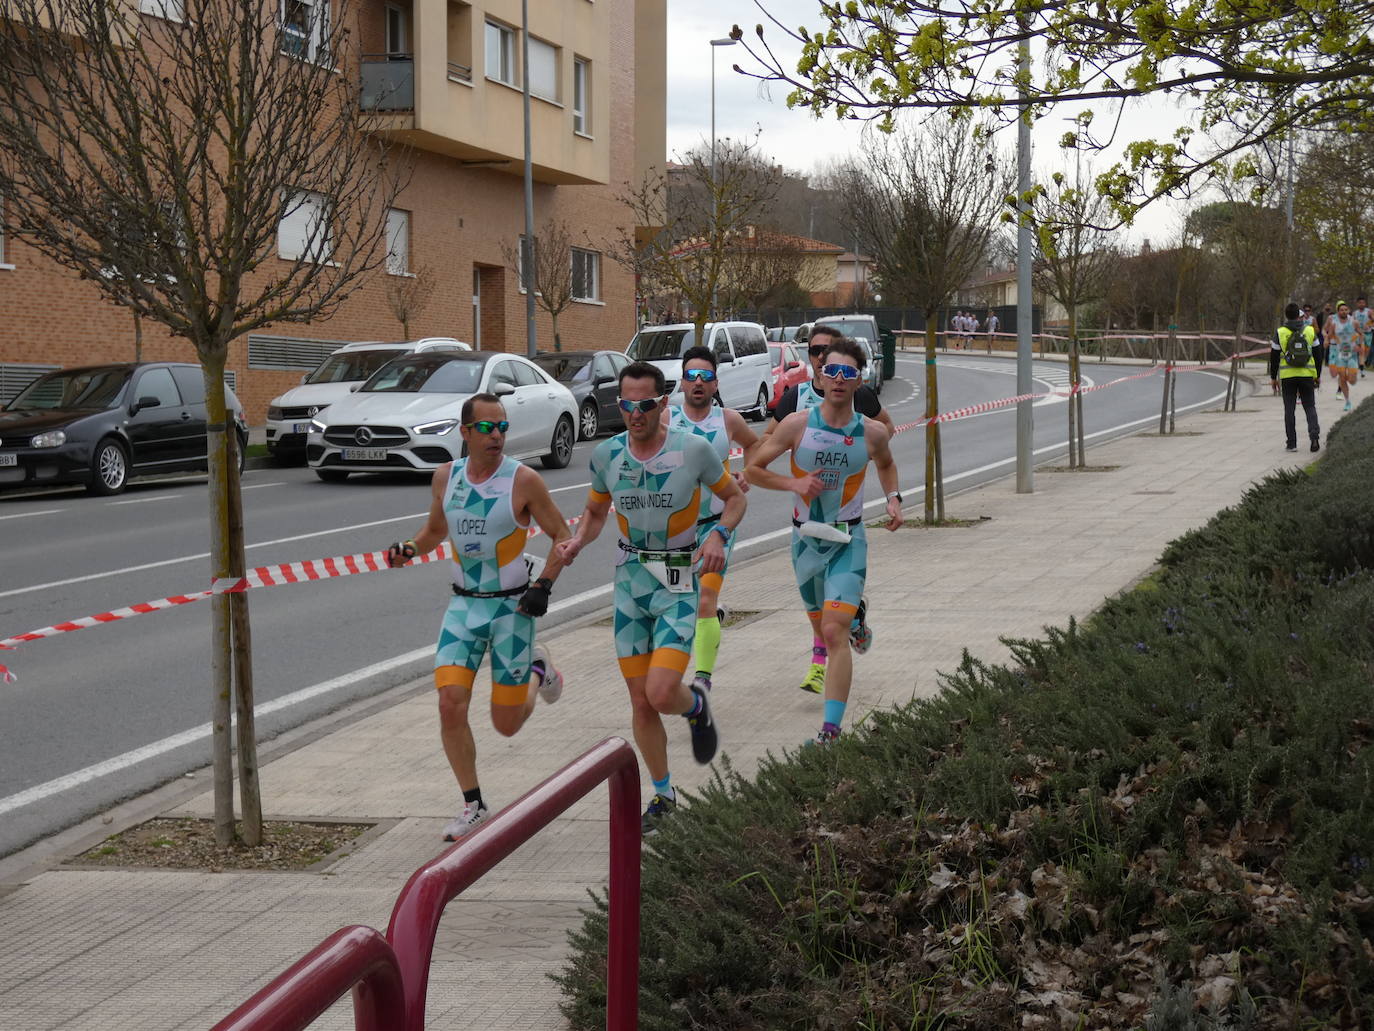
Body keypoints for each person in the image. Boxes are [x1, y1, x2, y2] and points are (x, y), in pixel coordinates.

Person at [556, 361, 746, 834]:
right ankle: (664, 795)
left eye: (644, 405)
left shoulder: (694, 450)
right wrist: (579, 539)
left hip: (679, 577)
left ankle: (696, 707)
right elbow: (596, 512)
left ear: (663, 404)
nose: (635, 414)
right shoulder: (606, 456)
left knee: (662, 693)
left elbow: (735, 499)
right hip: (629, 584)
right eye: (626, 405)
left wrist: (718, 535)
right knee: (640, 703)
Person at [385, 392, 574, 840]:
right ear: (465, 432)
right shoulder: (444, 477)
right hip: (463, 606)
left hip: (512, 608)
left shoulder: (523, 481)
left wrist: (543, 586)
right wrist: (409, 549)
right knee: (450, 705)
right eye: (487, 428)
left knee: (506, 725)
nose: (497, 436)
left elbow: (563, 536)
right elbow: (434, 531)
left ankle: (537, 669)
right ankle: (473, 803)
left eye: (503, 427)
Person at [747, 337, 903, 744]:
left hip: (849, 540)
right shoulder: (797, 425)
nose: (837, 378)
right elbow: (754, 468)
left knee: (833, 634)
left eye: (847, 373)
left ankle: (830, 732)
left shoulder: (871, 433)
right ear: (819, 374)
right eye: (831, 370)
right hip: (804, 543)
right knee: (822, 629)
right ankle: (857, 616)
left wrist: (893, 501)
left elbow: (886, 465)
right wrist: (793, 482)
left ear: (859, 380)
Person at [661, 345, 760, 695]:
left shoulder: (728, 420)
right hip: (677, 531)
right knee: (682, 603)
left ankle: (702, 679)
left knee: (703, 599)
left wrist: (747, 472)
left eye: (705, 377)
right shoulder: (667, 419)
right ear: (682, 383)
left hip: (718, 526)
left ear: (716, 384)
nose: (698, 383)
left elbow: (755, 445)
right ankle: (709, 623)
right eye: (691, 376)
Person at [1270, 303, 1320, 453]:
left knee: (1289, 409)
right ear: (1299, 315)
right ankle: (1314, 437)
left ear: (1286, 316)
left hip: (1288, 376)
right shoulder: (1310, 330)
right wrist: (1317, 375)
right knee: (1310, 406)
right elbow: (1318, 355)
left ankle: (1292, 443)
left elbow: (1274, 357)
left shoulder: (1280, 332)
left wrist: (1273, 377)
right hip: (1307, 375)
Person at [1325, 300, 1360, 411]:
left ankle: (1352, 378)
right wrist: (1326, 341)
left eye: (1346, 310)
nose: (1344, 312)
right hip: (1340, 355)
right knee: (1342, 378)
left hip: (1352, 355)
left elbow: (1361, 334)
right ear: (1338, 312)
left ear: (1348, 311)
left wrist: (1359, 345)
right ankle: (1347, 401)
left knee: (1352, 381)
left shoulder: (1354, 322)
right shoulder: (1334, 324)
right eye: (1341, 310)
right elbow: (1329, 336)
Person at [1353, 297, 1371, 375]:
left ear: (1365, 304)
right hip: (1358, 334)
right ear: (1357, 304)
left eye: (1363, 303)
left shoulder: (1369, 311)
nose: (1361, 304)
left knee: (1367, 351)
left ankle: (1363, 362)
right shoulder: (1355, 313)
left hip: (1368, 333)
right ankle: (1361, 369)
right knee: (1361, 350)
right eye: (1360, 303)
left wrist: (1369, 325)